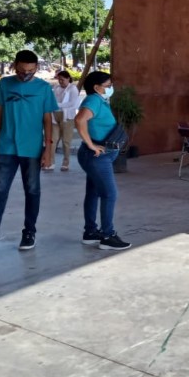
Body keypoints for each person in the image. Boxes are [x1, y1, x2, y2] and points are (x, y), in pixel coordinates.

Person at [0, 50, 58, 254]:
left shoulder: (43, 88)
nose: (27, 73)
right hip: (7, 146)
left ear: (36, 68)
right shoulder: (6, 84)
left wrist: (48, 149)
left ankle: (29, 233)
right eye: (23, 69)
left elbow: (47, 120)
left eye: (31, 70)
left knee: (32, 191)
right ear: (15, 65)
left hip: (32, 148)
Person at [75, 71, 131, 250]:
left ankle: (91, 232)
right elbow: (79, 119)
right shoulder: (93, 100)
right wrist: (91, 144)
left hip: (99, 156)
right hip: (97, 157)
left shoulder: (100, 101)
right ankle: (108, 235)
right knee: (110, 194)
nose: (110, 89)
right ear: (96, 87)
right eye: (107, 86)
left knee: (94, 193)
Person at [48, 70, 80, 172]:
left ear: (68, 79)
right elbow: (51, 100)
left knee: (66, 141)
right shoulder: (56, 88)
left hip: (67, 117)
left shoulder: (73, 89)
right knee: (53, 140)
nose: (60, 82)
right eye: (59, 79)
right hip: (55, 115)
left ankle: (65, 163)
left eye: (62, 79)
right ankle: (51, 162)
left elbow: (72, 103)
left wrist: (57, 105)